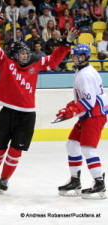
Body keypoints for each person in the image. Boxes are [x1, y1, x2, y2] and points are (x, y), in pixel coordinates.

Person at [0, 13, 79, 193]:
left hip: (27, 116)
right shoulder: (6, 63)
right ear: (14, 54)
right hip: (7, 112)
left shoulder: (34, 66)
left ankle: (5, 178)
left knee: (15, 152)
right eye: (22, 53)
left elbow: (53, 60)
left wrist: (66, 43)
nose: (26, 56)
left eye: (27, 53)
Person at [56, 44, 108, 199]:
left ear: (84, 57)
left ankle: (99, 184)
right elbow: (85, 97)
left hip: (94, 115)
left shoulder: (85, 75)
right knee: (72, 145)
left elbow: (89, 102)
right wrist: (72, 106)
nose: (73, 58)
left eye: (76, 56)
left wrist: (72, 110)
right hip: (88, 114)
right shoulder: (83, 71)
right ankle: (75, 180)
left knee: (87, 148)